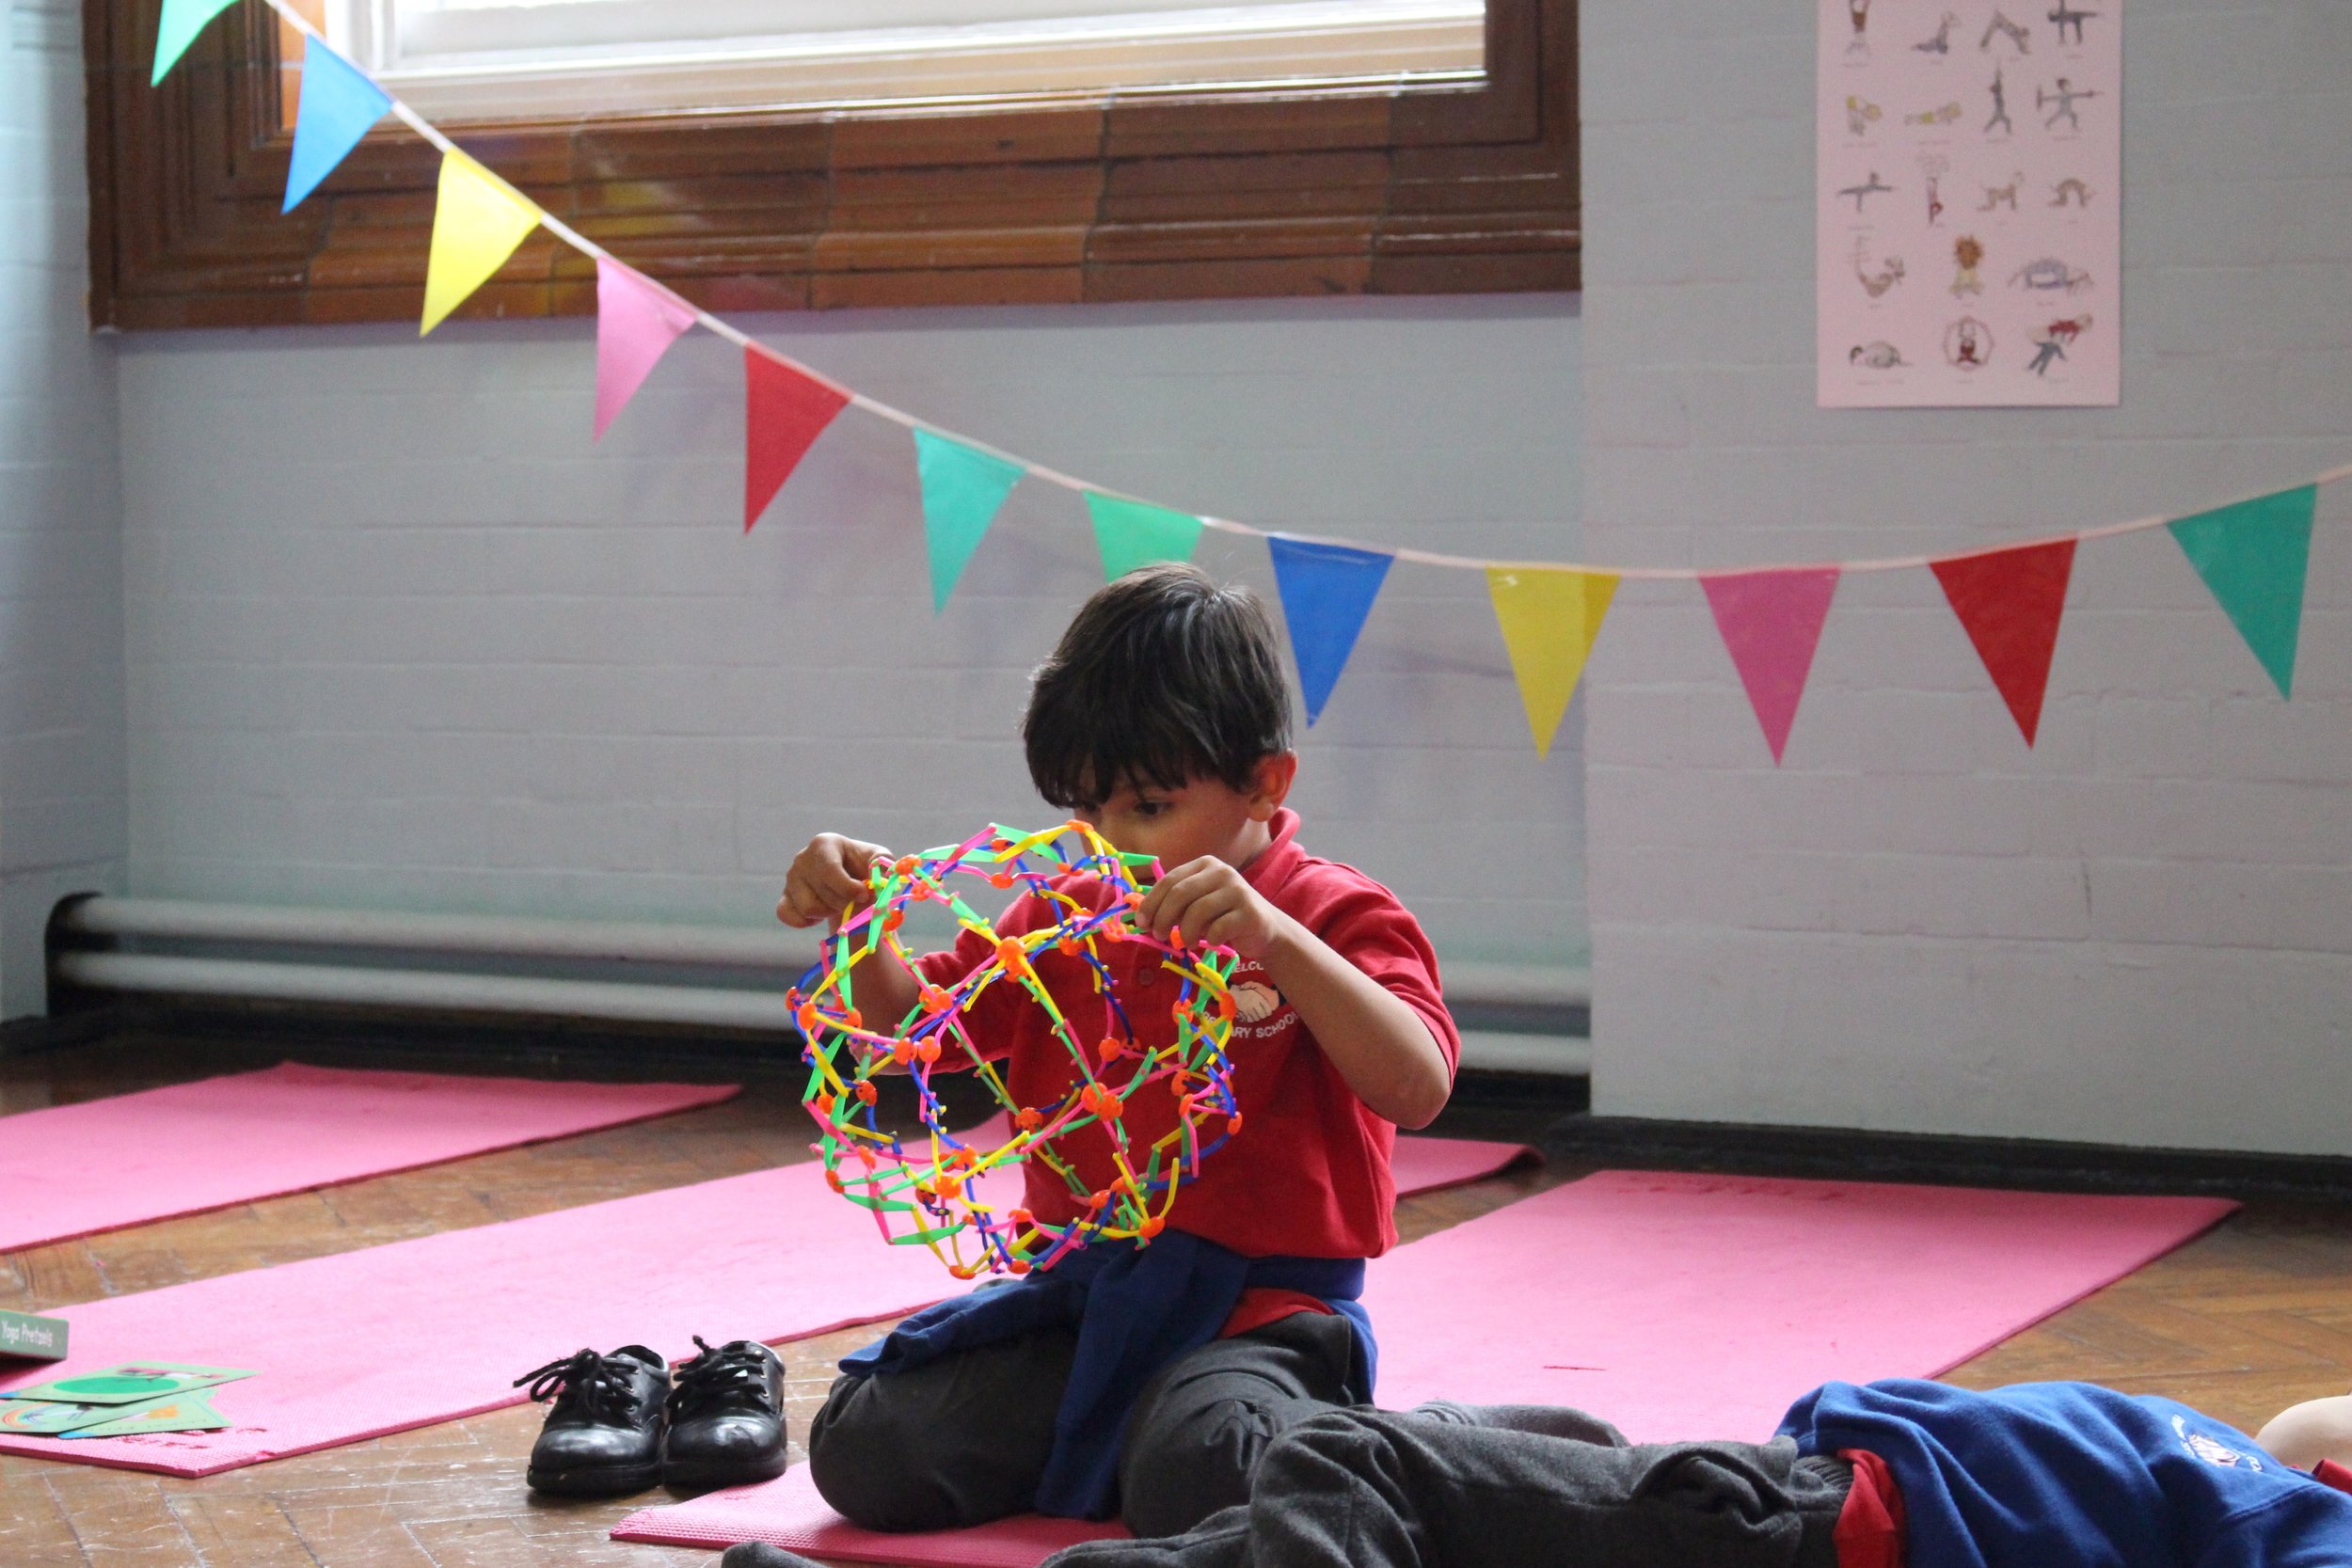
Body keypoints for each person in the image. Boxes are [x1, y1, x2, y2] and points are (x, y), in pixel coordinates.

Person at [774, 563, 1459, 1536]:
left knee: (1205, 1473)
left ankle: (1404, 1454)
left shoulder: (1331, 910)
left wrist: (1279, 942)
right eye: (1087, 811)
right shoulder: (1063, 909)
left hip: (1264, 1314)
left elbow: (1418, 1087)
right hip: (1085, 1301)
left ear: (1266, 781)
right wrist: (857, 918)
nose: (1109, 840)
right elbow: (913, 1036)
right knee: (870, 1446)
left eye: (1146, 807)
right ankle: (1132, 1432)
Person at [719, 1379, 2352, 1568]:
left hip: (1808, 1523)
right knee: (1453, 1476)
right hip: (1775, 1486)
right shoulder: (2289, 1474)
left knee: (1350, 1458)